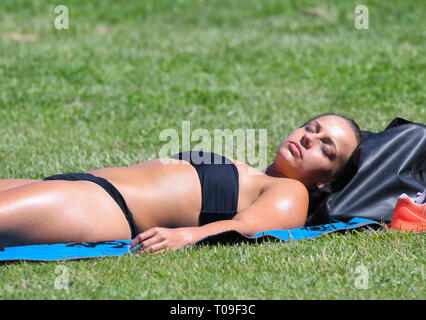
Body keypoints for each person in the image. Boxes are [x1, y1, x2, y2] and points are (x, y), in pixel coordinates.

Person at [0, 113, 362, 253]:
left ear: (323, 183)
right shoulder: (253, 174)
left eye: (326, 148)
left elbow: (248, 229)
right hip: (79, 186)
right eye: (311, 128)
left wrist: (185, 236)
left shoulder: (291, 191)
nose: (309, 139)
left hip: (101, 208)